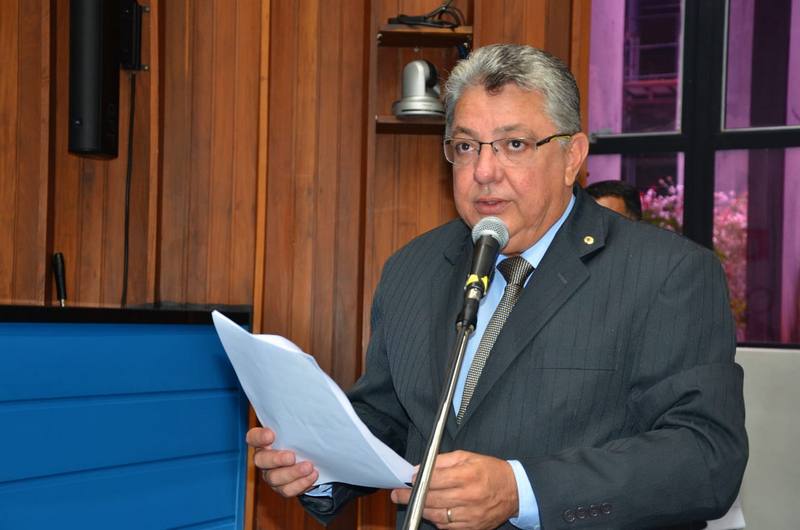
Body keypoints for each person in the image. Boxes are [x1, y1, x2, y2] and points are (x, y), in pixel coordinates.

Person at [247, 44, 747, 530]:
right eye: (466, 147)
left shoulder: (667, 273)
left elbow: (706, 457)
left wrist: (519, 491)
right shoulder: (412, 267)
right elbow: (390, 418)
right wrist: (317, 462)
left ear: (571, 156)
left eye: (514, 145)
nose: (484, 172)